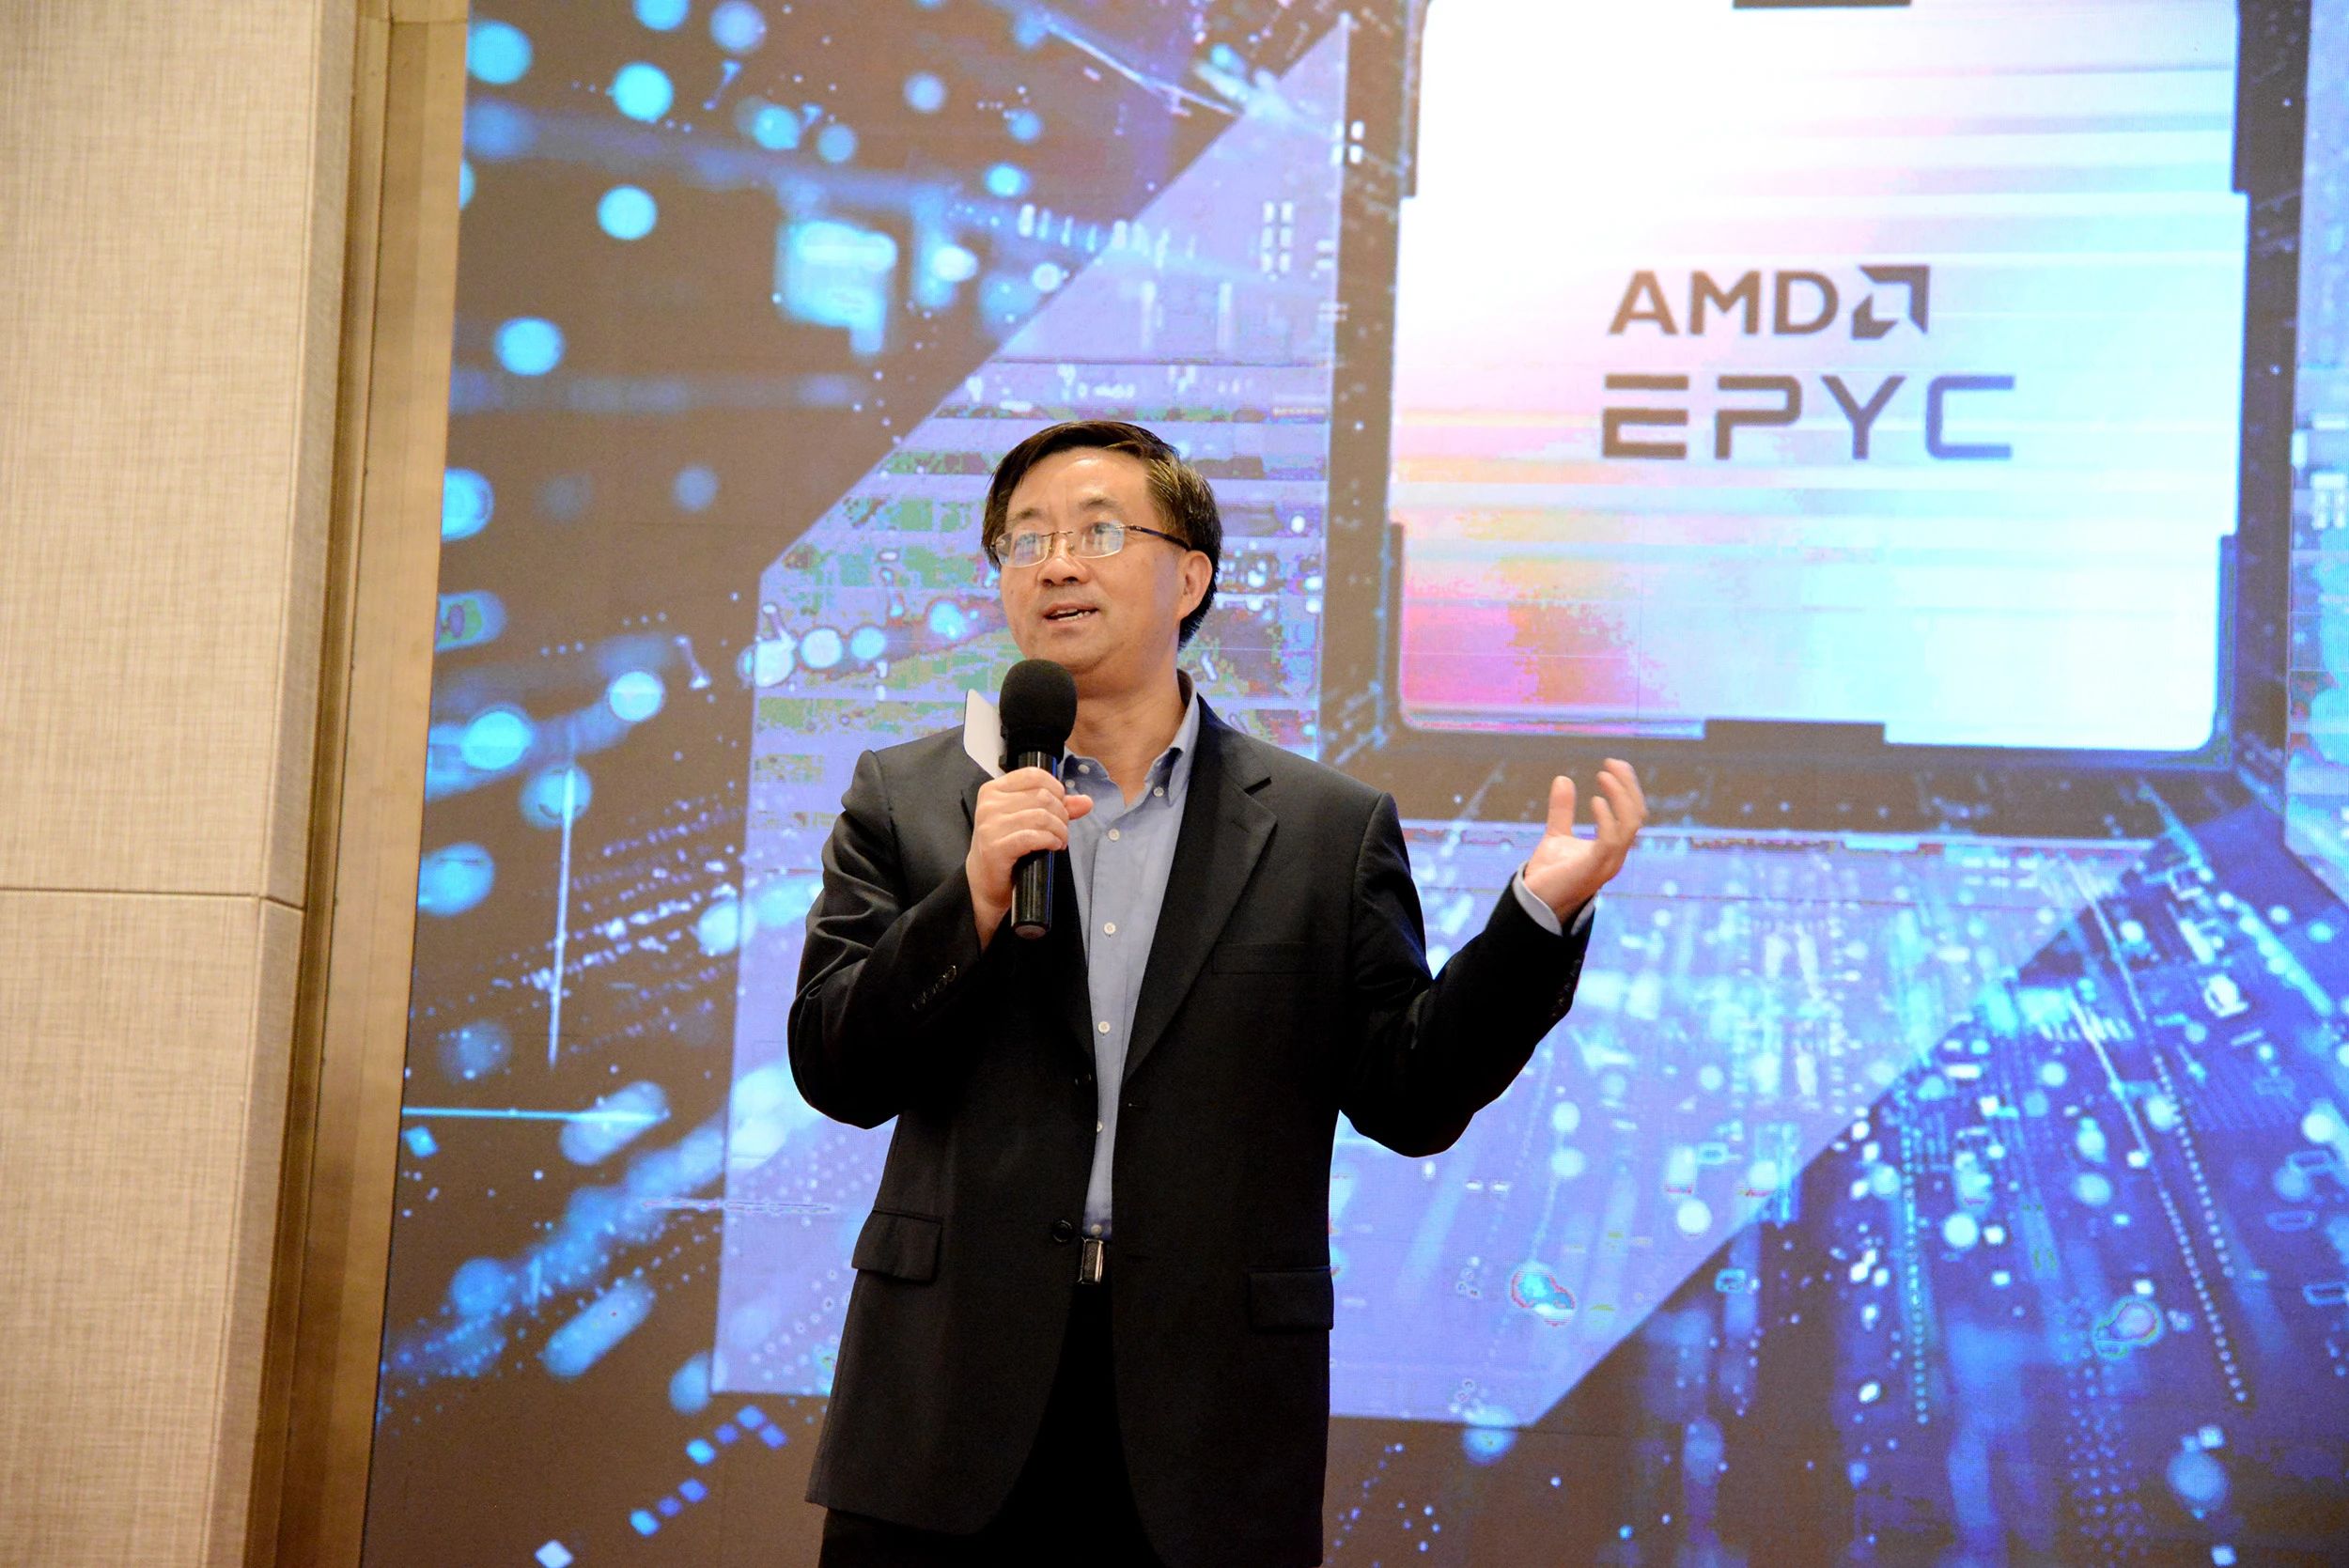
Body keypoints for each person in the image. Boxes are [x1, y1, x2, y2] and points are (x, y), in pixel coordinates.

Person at [789, 420, 1644, 1567]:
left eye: (1098, 532)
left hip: (1207, 1428)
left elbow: (1408, 1095)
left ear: (1188, 578)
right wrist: (972, 902)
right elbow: (834, 1067)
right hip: (943, 1409)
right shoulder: (908, 800)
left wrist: (1533, 923)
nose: (1055, 564)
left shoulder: (1324, 829)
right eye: (1025, 540)